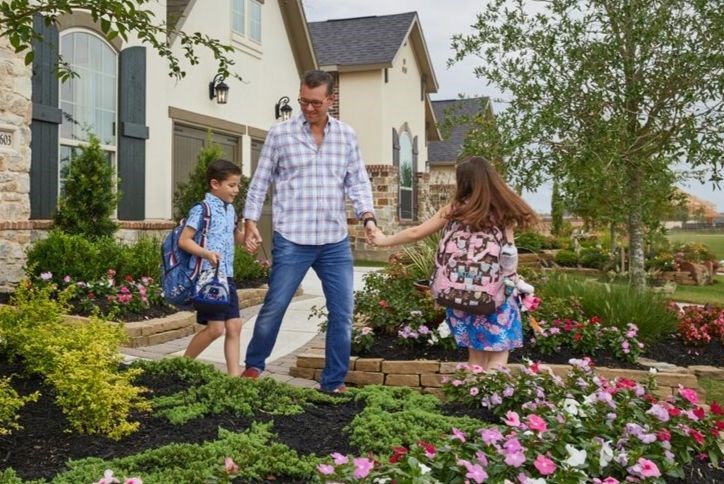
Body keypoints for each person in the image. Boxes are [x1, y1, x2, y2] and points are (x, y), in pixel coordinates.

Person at [242, 70, 377, 392]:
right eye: (303, 101)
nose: (308, 107)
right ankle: (253, 368)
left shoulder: (346, 136)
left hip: (334, 240)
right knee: (275, 305)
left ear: (331, 99)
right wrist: (249, 221)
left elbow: (357, 181)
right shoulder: (280, 134)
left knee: (343, 314)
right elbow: (260, 182)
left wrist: (368, 216)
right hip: (293, 237)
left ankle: (332, 383)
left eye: (316, 102)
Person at [371, 156, 537, 370]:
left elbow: (416, 232)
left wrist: (384, 240)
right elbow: (509, 256)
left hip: (458, 293)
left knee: (475, 357)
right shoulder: (504, 212)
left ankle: (472, 394)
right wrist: (516, 283)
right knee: (498, 351)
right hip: (495, 295)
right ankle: (489, 399)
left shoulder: (454, 210)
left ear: (464, 182)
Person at [179, 159, 245, 377]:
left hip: (228, 277)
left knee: (234, 326)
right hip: (209, 278)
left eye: (238, 185)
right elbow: (184, 240)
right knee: (216, 329)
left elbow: (233, 238)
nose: (236, 190)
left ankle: (234, 379)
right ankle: (182, 365)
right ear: (215, 184)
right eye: (232, 185)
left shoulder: (231, 210)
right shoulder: (202, 209)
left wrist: (246, 239)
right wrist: (206, 253)